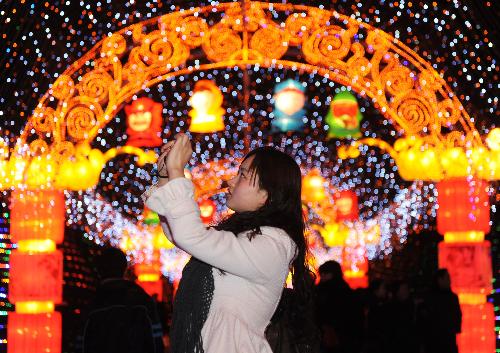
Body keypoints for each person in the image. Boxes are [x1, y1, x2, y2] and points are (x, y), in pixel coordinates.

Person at [142, 133, 318, 353]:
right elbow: (181, 233)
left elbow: (191, 235)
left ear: (267, 194)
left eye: (243, 175)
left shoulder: (273, 246)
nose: (231, 181)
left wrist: (178, 171)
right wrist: (167, 176)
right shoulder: (244, 236)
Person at [81, 247, 164, 353]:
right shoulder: (141, 298)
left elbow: (82, 342)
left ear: (99, 269)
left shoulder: (92, 301)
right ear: (124, 268)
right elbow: (156, 339)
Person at [314, 261, 364, 353]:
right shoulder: (347, 291)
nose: (322, 277)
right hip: (347, 337)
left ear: (330, 274)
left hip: (329, 336)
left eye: (323, 274)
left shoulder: (323, 291)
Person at [422, 269, 462, 353]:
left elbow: (457, 316)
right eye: (447, 278)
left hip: (446, 340)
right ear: (440, 280)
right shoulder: (431, 298)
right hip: (436, 341)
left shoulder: (452, 297)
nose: (450, 281)